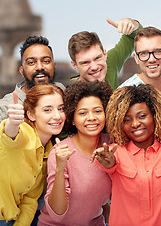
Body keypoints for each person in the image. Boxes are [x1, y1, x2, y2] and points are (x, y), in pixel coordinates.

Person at [0, 84, 65, 226]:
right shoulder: (23, 132)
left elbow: (30, 201)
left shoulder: (48, 152)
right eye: (47, 110)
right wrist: (13, 123)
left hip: (6, 221)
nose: (57, 116)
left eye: (61, 108)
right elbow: (11, 136)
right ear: (31, 114)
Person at [91, 84, 161, 226]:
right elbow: (111, 162)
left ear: (155, 115)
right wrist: (107, 160)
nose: (135, 124)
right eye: (127, 120)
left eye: (142, 116)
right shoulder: (115, 152)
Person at [0, 36, 65, 154]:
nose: (40, 67)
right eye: (31, 62)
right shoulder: (8, 106)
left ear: (54, 66)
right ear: (21, 70)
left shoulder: (61, 91)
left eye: (46, 61)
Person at [38, 80, 113, 226]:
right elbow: (57, 213)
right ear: (72, 119)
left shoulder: (111, 146)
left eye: (97, 111)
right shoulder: (60, 152)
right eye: (83, 113)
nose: (91, 117)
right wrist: (60, 167)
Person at [68, 18, 142, 89]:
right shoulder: (72, 96)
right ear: (75, 65)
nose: (94, 67)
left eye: (97, 58)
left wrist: (131, 24)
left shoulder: (110, 62)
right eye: (85, 63)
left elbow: (137, 37)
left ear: (105, 54)